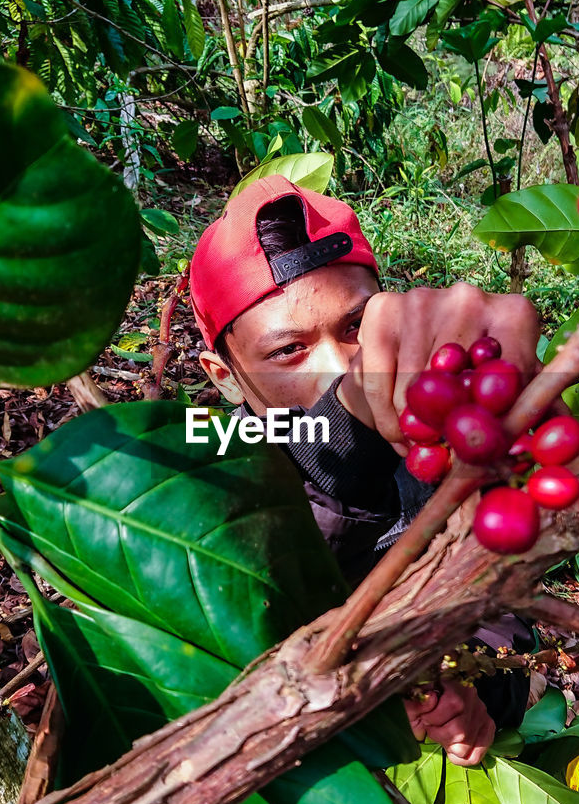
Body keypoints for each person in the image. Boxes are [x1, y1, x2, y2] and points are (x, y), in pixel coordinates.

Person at [188, 174, 540, 766]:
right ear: (223, 376)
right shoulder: (207, 461)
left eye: (355, 329)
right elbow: (309, 450)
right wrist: (353, 409)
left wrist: (476, 693)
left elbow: (504, 614)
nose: (336, 366)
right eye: (287, 351)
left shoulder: (442, 435)